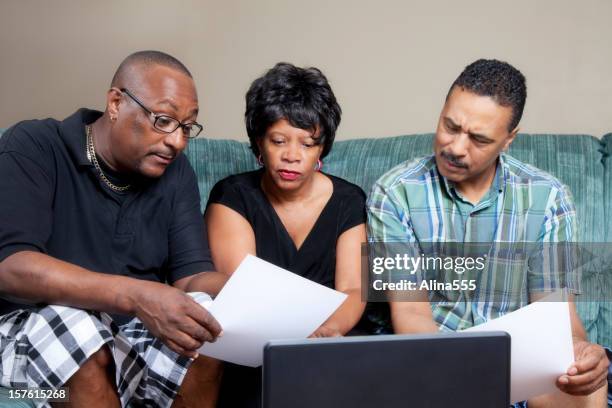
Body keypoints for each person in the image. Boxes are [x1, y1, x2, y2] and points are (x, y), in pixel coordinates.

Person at [367, 59, 610, 407]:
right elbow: (410, 315)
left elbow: (555, 316)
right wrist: (462, 374)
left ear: (509, 140)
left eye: (479, 139)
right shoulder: (394, 192)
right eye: (450, 126)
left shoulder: (549, 197)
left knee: (584, 390)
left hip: (520, 365)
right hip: (433, 358)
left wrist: (579, 353)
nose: (456, 148)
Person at [0, 50, 227, 408]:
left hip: (130, 330)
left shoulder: (176, 172)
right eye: (164, 120)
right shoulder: (36, 145)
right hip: (32, 331)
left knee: (204, 322)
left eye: (186, 127)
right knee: (77, 328)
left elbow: (191, 277)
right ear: (116, 102)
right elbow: (10, 265)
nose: (177, 141)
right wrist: (137, 295)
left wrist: (249, 289)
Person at [205, 62, 367, 407]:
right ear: (259, 142)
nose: (292, 156)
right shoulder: (233, 197)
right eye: (278, 140)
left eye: (307, 144)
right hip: (258, 351)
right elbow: (245, 291)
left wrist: (328, 332)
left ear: (321, 148)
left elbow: (353, 288)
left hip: (329, 345)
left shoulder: (349, 201)